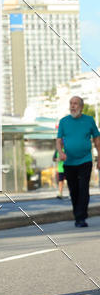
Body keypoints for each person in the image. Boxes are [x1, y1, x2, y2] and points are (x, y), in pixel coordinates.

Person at [56, 96, 100, 228]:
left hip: (85, 160)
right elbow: (58, 140)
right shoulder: (64, 121)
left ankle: (81, 217)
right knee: (73, 190)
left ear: (81, 106)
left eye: (75, 103)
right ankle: (78, 214)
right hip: (69, 162)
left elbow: (97, 140)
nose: (72, 106)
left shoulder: (89, 120)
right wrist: (61, 152)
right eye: (71, 103)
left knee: (83, 188)